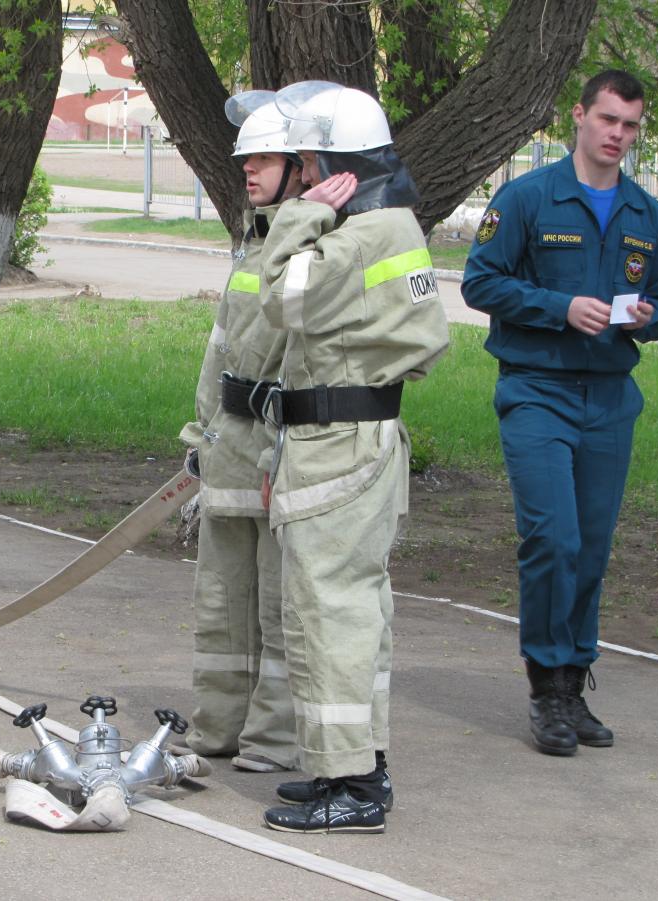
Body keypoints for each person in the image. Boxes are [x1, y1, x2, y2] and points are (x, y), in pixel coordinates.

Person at [461, 70, 658, 756]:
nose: (618, 134)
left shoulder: (648, 215)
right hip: (538, 390)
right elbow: (480, 281)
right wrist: (560, 308)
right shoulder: (528, 197)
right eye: (608, 119)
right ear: (578, 117)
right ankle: (546, 687)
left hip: (610, 399)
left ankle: (574, 680)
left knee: (591, 545)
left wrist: (648, 316)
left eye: (630, 125)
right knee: (552, 536)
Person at [256, 82, 449, 833]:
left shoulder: (359, 235)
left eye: (308, 165)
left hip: (338, 445)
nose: (303, 179)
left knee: (327, 609)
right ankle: (356, 763)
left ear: (337, 166)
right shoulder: (391, 227)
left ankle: (354, 784)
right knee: (356, 610)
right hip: (361, 441)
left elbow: (283, 297)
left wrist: (301, 217)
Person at [179, 92, 305, 774]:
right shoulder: (256, 241)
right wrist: (201, 434)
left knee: (278, 604)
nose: (248, 171)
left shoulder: (312, 242)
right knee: (222, 601)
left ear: (300, 166)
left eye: (263, 159)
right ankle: (217, 726)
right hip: (230, 447)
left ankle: (272, 738)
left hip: (280, 453)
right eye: (245, 159)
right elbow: (221, 350)